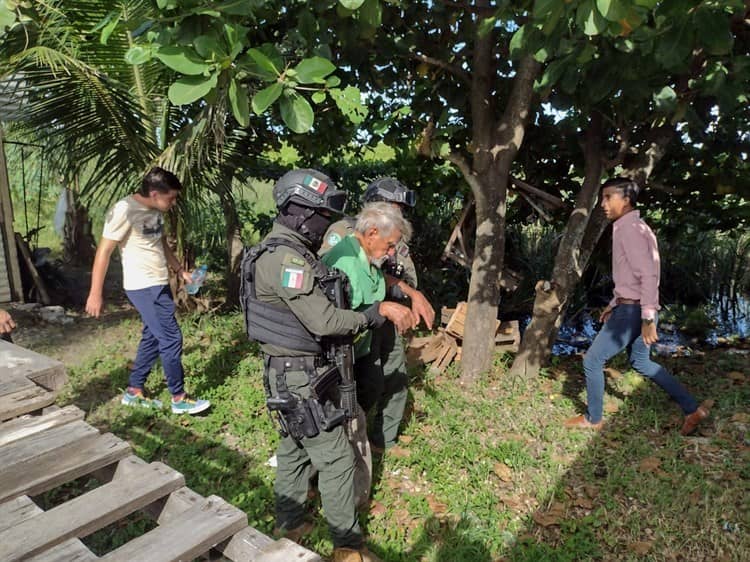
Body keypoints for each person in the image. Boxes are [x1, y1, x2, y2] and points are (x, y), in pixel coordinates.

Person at [242, 168, 414, 562]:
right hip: (300, 374)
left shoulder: (281, 251)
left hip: (289, 372)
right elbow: (326, 321)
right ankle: (347, 546)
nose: (329, 224)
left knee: (295, 449)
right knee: (336, 459)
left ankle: (290, 522)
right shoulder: (285, 259)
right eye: (323, 215)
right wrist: (373, 315)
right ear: (300, 212)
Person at [564, 177, 709, 435]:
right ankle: (692, 409)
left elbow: (648, 276)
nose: (602, 204)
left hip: (634, 311)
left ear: (626, 199)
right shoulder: (633, 226)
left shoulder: (629, 229)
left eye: (608, 197)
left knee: (593, 360)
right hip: (631, 305)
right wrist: (614, 302)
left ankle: (593, 418)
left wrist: (647, 319)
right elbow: (632, 276)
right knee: (641, 362)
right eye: (602, 198)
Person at [85, 167, 210, 415]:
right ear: (154, 193)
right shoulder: (124, 210)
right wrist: (95, 293)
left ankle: (134, 391)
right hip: (143, 286)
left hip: (158, 283)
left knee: (153, 336)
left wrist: (179, 271)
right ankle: (179, 398)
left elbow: (160, 243)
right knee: (171, 337)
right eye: (171, 198)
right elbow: (104, 252)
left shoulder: (155, 211)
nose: (173, 203)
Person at [321, 179, 434, 453]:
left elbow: (391, 272)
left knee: (392, 376)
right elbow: (333, 282)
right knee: (356, 384)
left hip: (381, 313)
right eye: (391, 207)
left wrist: (409, 294)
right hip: (356, 319)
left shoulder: (391, 235)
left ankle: (382, 441)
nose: (397, 214)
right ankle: (341, 443)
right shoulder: (346, 237)